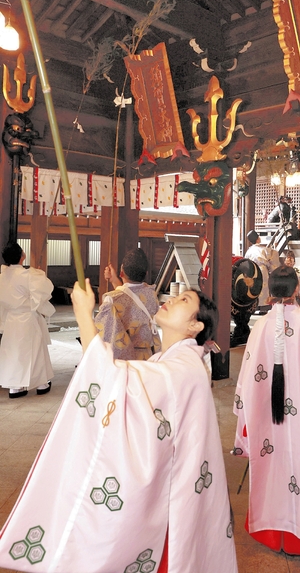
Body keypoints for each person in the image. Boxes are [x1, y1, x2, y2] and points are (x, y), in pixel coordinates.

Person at [0, 281, 238, 573]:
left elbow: (112, 379)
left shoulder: (184, 368)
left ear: (195, 326)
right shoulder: (175, 360)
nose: (173, 300)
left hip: (173, 500)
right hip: (176, 492)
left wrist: (83, 315)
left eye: (184, 300)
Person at [233, 265, 300, 555]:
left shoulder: (260, 327)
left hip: (268, 415)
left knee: (272, 466)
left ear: (270, 291)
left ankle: (273, 531)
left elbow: (246, 377)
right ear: (297, 289)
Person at [0, 242, 54, 398]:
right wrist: (38, 272)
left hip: (11, 319)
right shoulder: (28, 274)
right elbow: (45, 289)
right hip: (28, 318)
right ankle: (41, 384)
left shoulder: (2, 276)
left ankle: (15, 387)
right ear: (21, 256)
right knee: (35, 351)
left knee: (13, 352)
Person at [95, 248, 160, 359]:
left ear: (122, 271)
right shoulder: (151, 294)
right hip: (148, 357)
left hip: (124, 359)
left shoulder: (110, 300)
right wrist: (114, 279)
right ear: (146, 273)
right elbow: (131, 296)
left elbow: (102, 335)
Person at [244, 230, 280, 309]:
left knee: (254, 288)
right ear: (258, 239)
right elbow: (273, 257)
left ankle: (254, 306)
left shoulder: (249, 251)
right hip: (262, 270)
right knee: (263, 288)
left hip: (252, 271)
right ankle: (264, 305)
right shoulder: (264, 250)